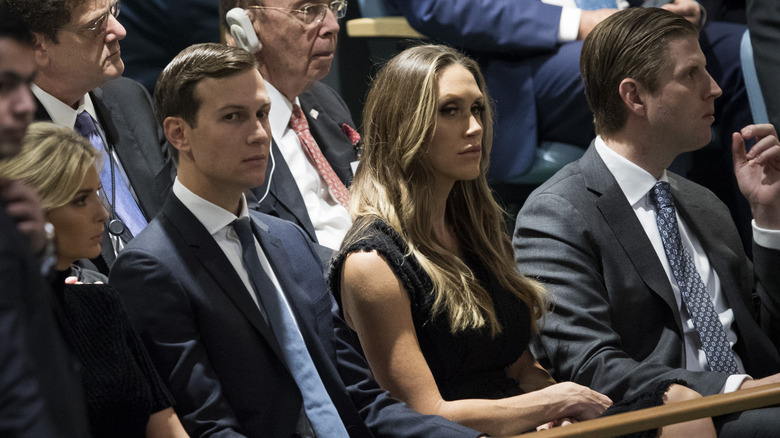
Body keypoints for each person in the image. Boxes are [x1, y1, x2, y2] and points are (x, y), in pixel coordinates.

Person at [329, 43, 716, 436]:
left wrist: (554, 407)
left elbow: (519, 363)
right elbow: (421, 412)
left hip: (534, 422)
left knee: (681, 404)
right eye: (450, 110)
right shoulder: (371, 262)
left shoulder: (478, 231)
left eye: (477, 109)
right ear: (403, 125)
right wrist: (553, 402)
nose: (474, 126)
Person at [109, 42, 481, 437]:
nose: (258, 134)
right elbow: (210, 428)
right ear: (179, 133)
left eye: (262, 114)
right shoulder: (150, 267)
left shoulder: (289, 241)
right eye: (233, 117)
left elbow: (364, 400)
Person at [513, 8, 780, 436]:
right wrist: (737, 387)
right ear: (634, 97)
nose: (714, 89)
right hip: (673, 419)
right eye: (691, 74)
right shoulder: (556, 214)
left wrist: (768, 220)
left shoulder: (703, 202)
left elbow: (766, 340)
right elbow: (591, 365)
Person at [0, 122, 189, 438]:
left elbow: (166, 425)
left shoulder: (101, 302)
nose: (102, 213)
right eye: (80, 200)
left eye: (97, 195)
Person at [8, 0, 176, 273]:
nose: (119, 30)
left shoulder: (130, 100)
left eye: (114, 11)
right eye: (96, 25)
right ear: (37, 46)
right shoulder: (14, 151)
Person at [0, 5, 91, 436]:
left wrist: (38, 251)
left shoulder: (13, 211)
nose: (22, 106)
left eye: (25, 85)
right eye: (4, 86)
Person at [219, 0, 360, 256]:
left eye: (333, 7)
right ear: (246, 27)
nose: (331, 26)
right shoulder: (228, 135)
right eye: (308, 11)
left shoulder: (325, 102)